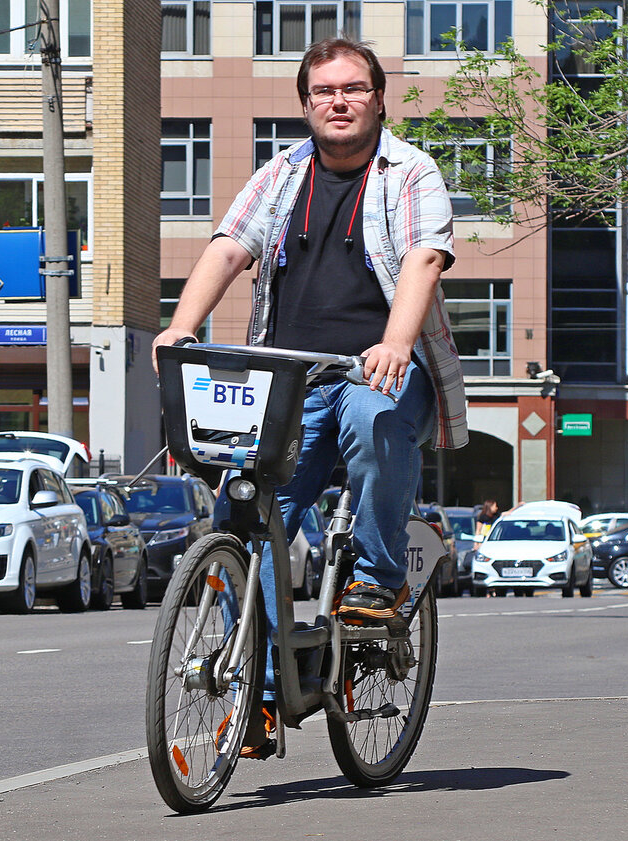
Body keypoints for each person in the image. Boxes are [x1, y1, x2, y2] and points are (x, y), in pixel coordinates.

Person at [152, 39, 467, 753]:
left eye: (354, 88)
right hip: (289, 380)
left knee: (375, 414)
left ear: (379, 98)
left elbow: (422, 258)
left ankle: (379, 581)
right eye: (324, 91)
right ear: (305, 105)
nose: (339, 101)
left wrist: (393, 340)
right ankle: (262, 692)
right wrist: (180, 325)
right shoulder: (281, 175)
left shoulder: (410, 171)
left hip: (379, 369)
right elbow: (230, 246)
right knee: (246, 520)